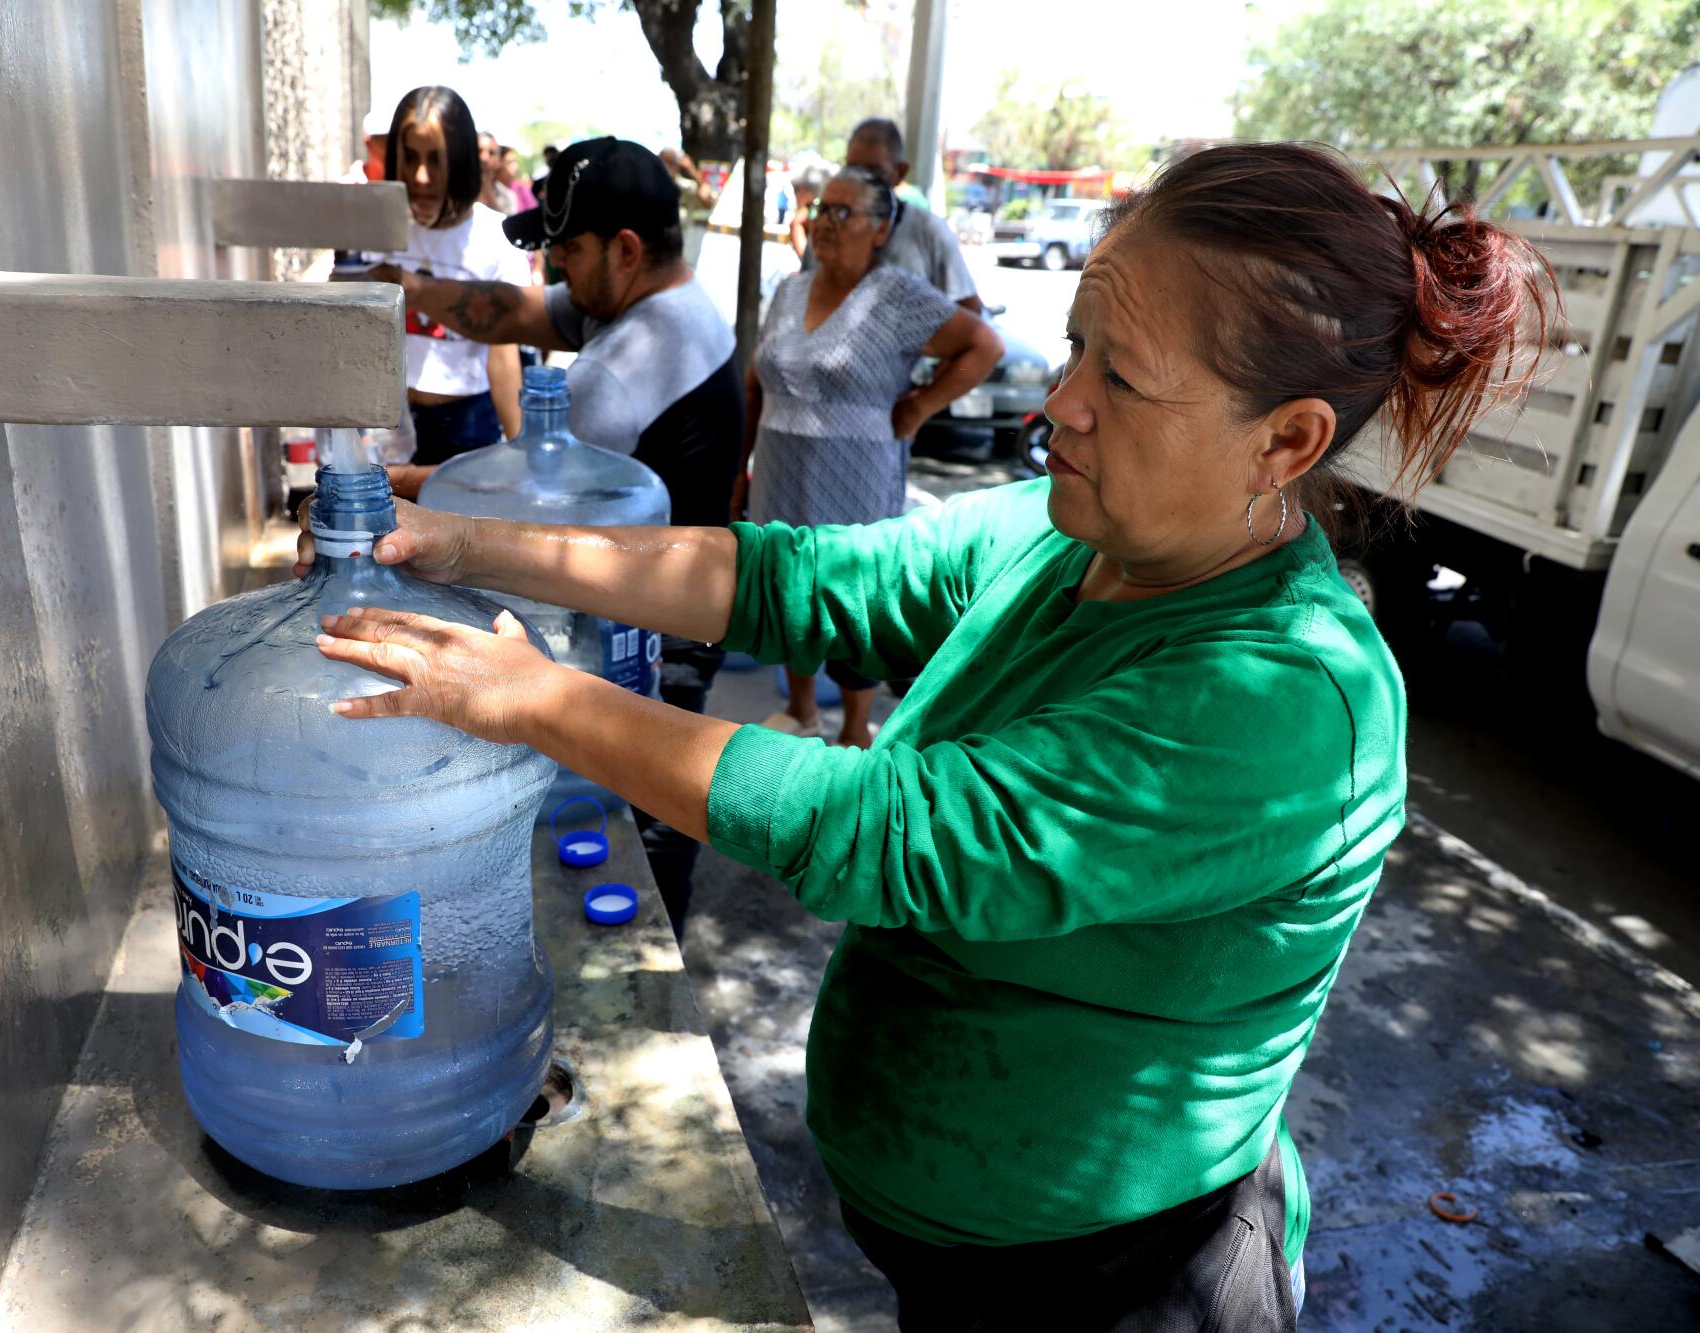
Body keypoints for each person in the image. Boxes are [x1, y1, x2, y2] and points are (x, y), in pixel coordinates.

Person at [302, 142, 1554, 1328]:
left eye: (1119, 378)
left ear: (1284, 440)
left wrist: (539, 699)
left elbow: (892, 835)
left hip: (1115, 1280)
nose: (1056, 404)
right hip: (957, 1249)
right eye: (1076, 350)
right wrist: (470, 540)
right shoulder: (1070, 533)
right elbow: (796, 581)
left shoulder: (1289, 696)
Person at [350, 136, 743, 932]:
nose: (556, 271)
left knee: (628, 860)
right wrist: (403, 287)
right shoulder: (665, 304)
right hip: (670, 613)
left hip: (653, 653)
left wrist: (377, 489)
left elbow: (514, 500)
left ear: (625, 250)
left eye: (567, 250)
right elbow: (512, 311)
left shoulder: (628, 364)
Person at [742, 166, 1002, 747]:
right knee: (786, 583)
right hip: (781, 468)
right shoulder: (790, 289)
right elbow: (757, 379)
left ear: (880, 229)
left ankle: (857, 730)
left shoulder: (898, 297)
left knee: (854, 594)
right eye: (820, 210)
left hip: (855, 478)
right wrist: (741, 468)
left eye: (843, 212)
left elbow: (983, 345)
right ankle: (802, 709)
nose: (825, 223)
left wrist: (921, 407)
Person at [341, 88, 528, 465]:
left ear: (460, 161)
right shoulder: (374, 230)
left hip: (469, 426)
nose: (421, 176)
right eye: (409, 158)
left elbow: (504, 358)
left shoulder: (497, 239)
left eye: (436, 160)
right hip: (385, 427)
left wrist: (523, 456)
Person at [806, 117, 981, 314]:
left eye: (874, 172)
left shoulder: (928, 231)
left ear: (899, 173)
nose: (861, 180)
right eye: (853, 169)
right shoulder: (826, 228)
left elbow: (971, 316)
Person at [477, 131, 518, 216]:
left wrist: (488, 192)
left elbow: (506, 225)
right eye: (479, 151)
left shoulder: (508, 197)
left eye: (491, 153)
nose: (484, 158)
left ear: (499, 161)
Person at [501, 146, 538, 213]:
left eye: (515, 161)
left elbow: (534, 211)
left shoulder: (520, 187)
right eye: (510, 162)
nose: (516, 166)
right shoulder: (494, 191)